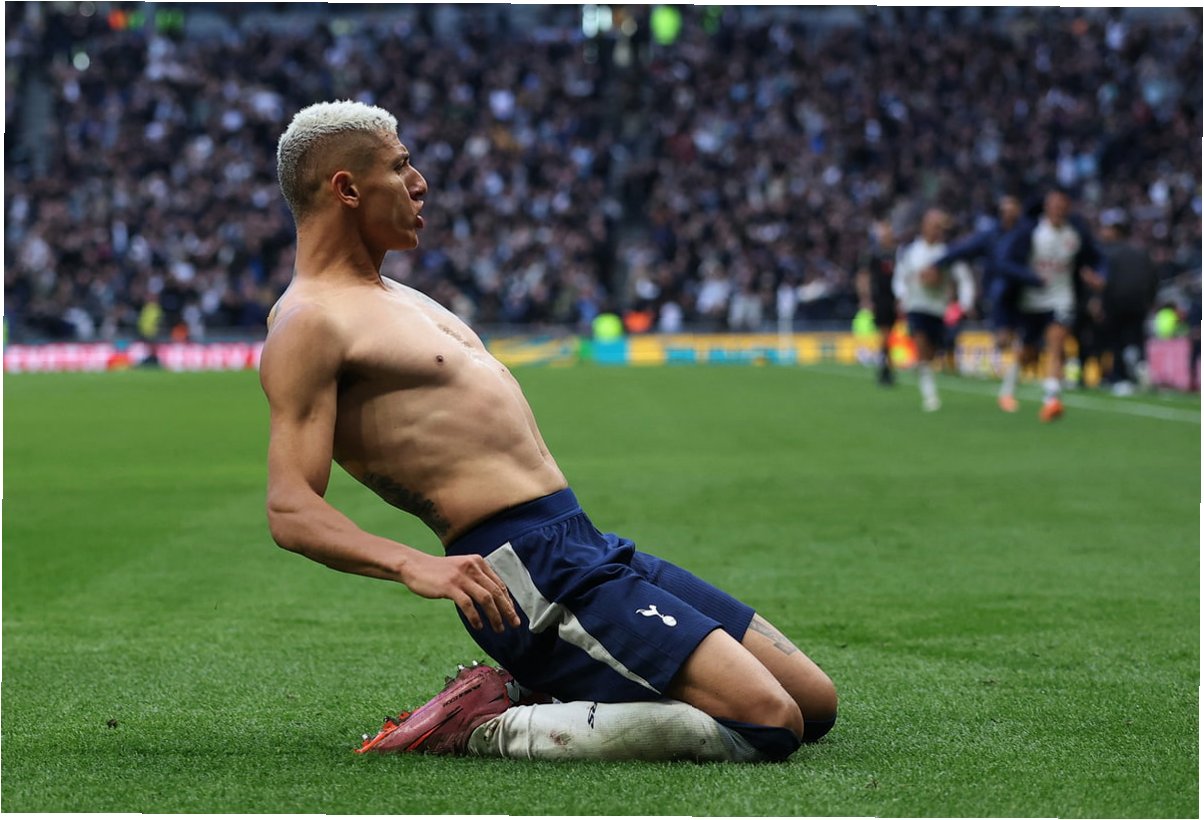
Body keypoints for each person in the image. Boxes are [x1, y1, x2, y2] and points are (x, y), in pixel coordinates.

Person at [259, 101, 837, 763]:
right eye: (400, 166)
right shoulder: (309, 322)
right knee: (770, 723)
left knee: (814, 704)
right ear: (346, 188)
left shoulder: (395, 295)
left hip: (580, 539)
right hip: (524, 574)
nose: (420, 183)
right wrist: (416, 565)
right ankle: (483, 727)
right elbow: (290, 507)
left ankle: (544, 692)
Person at [1002, 189, 1106, 421]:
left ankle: (1051, 400)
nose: (1059, 209)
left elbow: (1096, 257)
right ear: (1047, 207)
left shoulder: (1075, 232)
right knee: (1028, 351)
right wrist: (1031, 278)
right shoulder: (1031, 231)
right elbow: (1006, 262)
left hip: (1061, 298)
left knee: (1056, 342)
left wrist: (1098, 275)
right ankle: (1008, 390)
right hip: (1031, 301)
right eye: (1054, 205)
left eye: (1063, 205)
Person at [931, 194, 1037, 412]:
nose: (1008, 212)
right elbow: (963, 249)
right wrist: (938, 262)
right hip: (1001, 295)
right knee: (1006, 341)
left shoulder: (1028, 232)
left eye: (1012, 208)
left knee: (1027, 346)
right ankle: (1008, 385)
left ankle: (1009, 389)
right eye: (1005, 208)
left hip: (1027, 294)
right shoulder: (991, 235)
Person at [893, 208, 975, 411]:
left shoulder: (947, 253)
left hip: (938, 308)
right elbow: (900, 277)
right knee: (921, 344)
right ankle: (930, 395)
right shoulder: (911, 251)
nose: (936, 230)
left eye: (939, 226)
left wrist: (965, 304)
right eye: (933, 225)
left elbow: (964, 279)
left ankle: (922, 369)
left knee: (931, 353)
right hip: (916, 305)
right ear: (924, 226)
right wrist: (902, 297)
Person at [1097, 215, 1158, 395]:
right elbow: (1154, 278)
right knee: (1136, 340)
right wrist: (1149, 301)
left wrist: (1100, 302)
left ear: (1116, 232)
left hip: (1115, 303)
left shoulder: (1109, 252)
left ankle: (1120, 378)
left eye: (1107, 229)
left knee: (1117, 342)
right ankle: (1141, 367)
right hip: (1139, 305)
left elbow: (1105, 281)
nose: (1103, 232)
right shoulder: (1141, 252)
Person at [855, 217, 900, 386]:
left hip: (896, 298)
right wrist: (866, 298)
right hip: (880, 299)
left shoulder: (898, 253)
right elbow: (863, 277)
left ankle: (886, 366)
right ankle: (886, 367)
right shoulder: (873, 254)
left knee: (891, 334)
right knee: (884, 333)